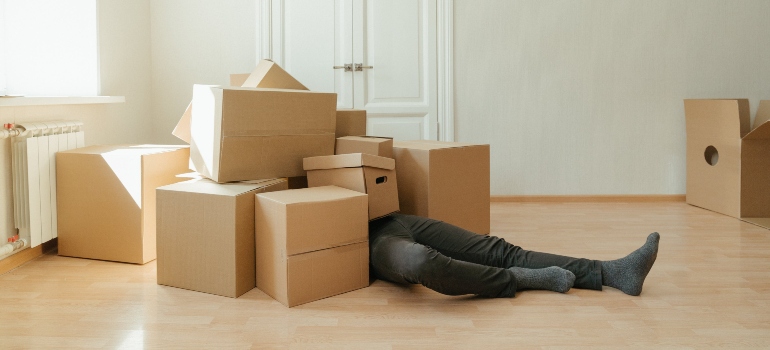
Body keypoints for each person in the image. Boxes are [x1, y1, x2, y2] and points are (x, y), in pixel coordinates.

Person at [369, 213, 659, 297]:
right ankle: (515, 279)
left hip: (388, 217)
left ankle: (612, 272)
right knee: (421, 261)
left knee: (498, 250)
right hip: (366, 239)